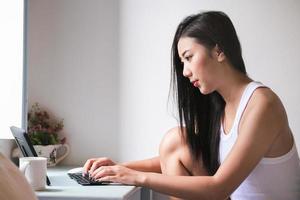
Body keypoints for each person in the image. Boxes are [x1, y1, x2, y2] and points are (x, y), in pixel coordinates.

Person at [83, 11, 300, 200]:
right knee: (175, 142)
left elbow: (219, 188)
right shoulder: (221, 107)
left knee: (175, 142)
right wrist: (117, 168)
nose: (185, 72)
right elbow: (174, 157)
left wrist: (136, 177)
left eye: (188, 57)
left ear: (218, 51)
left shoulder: (262, 105)